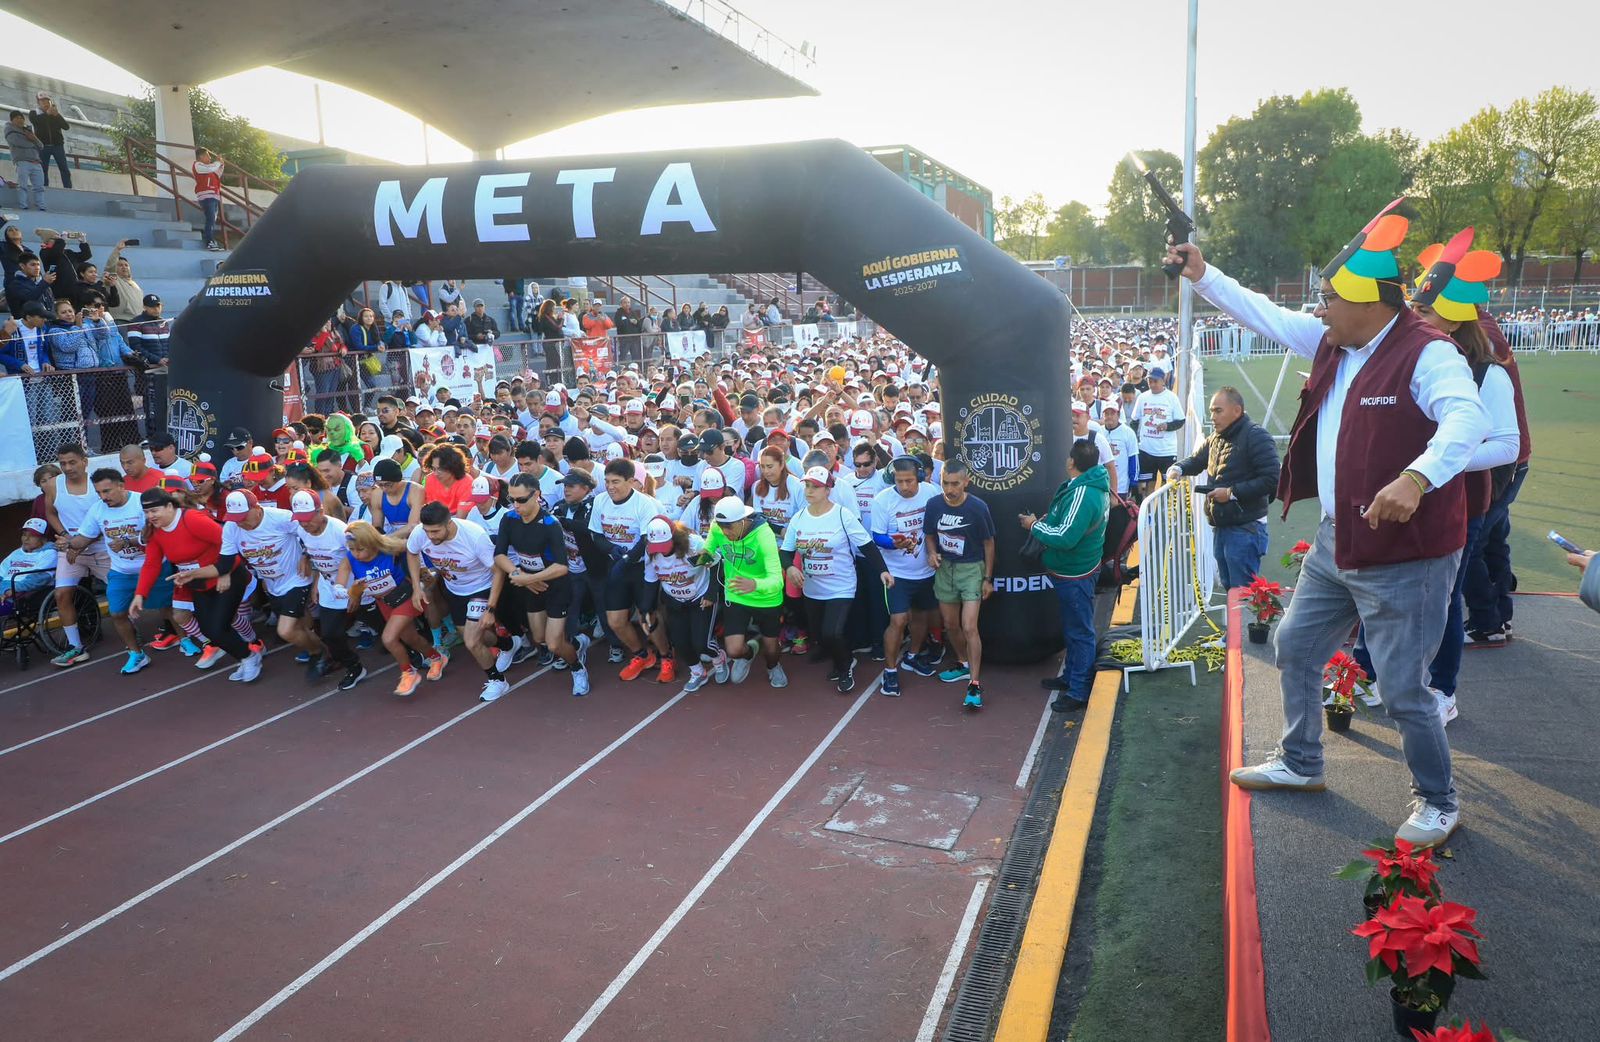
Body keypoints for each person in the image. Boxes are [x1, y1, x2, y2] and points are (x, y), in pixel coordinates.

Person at [1169, 204, 1490, 849]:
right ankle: (1301, 762)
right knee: (1295, 647)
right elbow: (1263, 312)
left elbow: (1467, 420)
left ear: (1369, 302)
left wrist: (1416, 477)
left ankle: (1437, 800)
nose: (1319, 310)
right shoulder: (1333, 341)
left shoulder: (1429, 355)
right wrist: (1205, 275)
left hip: (1408, 557)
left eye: (1328, 299)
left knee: (1403, 690)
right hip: (1338, 543)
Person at [133, 488, 262, 681]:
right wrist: (139, 594)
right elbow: (151, 564)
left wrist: (224, 571)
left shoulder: (191, 519)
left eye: (154, 511)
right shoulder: (155, 531)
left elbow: (229, 541)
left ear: (169, 506)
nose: (150, 516)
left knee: (219, 626)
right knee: (209, 629)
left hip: (228, 577)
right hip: (198, 582)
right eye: (146, 512)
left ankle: (250, 656)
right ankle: (247, 656)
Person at [782, 466, 888, 694]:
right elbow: (786, 551)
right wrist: (790, 567)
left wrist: (882, 570)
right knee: (820, 636)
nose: (809, 491)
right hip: (812, 589)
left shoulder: (842, 515)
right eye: (807, 486)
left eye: (815, 487)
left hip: (841, 585)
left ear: (828, 489)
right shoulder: (799, 518)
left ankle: (845, 667)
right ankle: (843, 658)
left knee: (832, 632)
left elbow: (867, 545)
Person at [1022, 439, 1110, 712]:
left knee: (1080, 631)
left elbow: (1065, 537)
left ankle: (1079, 690)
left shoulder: (1084, 493)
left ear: (1071, 462)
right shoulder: (1090, 487)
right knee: (1074, 629)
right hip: (1078, 569)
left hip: (1075, 574)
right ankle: (1072, 677)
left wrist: (1034, 525)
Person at [1168, 387, 1281, 590]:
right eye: (1212, 411)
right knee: (1232, 590)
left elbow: (1272, 479)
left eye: (1218, 411)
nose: (1212, 417)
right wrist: (1178, 468)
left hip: (1246, 529)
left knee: (1242, 595)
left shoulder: (1256, 436)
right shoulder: (1217, 437)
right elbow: (1197, 460)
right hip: (1224, 526)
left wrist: (1231, 493)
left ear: (1237, 411)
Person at [65, 468, 176, 674]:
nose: (103, 497)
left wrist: (129, 540)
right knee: (117, 613)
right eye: (99, 493)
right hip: (121, 571)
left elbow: (153, 534)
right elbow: (83, 537)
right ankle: (136, 654)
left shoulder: (142, 503)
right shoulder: (98, 510)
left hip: (154, 566)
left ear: (121, 486)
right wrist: (69, 543)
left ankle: (186, 639)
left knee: (168, 608)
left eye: (106, 491)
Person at [495, 473, 590, 694]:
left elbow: (561, 566)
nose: (515, 505)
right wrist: (518, 574)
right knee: (540, 638)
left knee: (555, 644)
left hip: (556, 586)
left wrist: (529, 579)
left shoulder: (550, 524)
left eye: (521, 500)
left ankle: (577, 668)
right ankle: (576, 643)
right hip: (531, 585)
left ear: (536, 495)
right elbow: (499, 555)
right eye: (511, 499)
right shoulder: (508, 519)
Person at [406, 501, 506, 701]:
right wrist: (417, 588)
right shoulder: (420, 532)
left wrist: (491, 609)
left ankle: (498, 681)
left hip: (481, 588)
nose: (431, 536)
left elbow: (498, 571)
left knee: (471, 641)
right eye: (427, 532)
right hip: (455, 591)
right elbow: (411, 552)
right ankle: (509, 643)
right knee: (482, 638)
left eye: (435, 531)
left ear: (449, 523)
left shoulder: (474, 536)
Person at [222, 489, 325, 668]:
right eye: (235, 518)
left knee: (285, 630)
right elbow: (226, 557)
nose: (240, 523)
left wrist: (306, 556)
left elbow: (311, 531)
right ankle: (316, 647)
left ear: (257, 508)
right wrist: (223, 574)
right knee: (300, 625)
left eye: (243, 517)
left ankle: (321, 653)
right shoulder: (232, 527)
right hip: (272, 584)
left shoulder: (281, 518)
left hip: (297, 578)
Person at [923, 460, 995, 709]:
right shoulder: (933, 505)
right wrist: (932, 553)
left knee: (969, 626)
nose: (949, 489)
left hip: (971, 570)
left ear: (966, 482)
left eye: (955, 484)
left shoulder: (978, 507)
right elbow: (929, 535)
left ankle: (974, 684)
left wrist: (988, 578)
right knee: (951, 625)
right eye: (945, 483)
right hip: (944, 571)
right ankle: (963, 664)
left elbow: (989, 543)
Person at [589, 458, 670, 678]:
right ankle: (642, 654)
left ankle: (666, 656)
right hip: (617, 566)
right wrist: (612, 550)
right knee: (615, 621)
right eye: (607, 481)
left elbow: (646, 539)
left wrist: (625, 558)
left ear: (631, 481)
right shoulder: (600, 501)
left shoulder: (645, 504)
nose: (610, 486)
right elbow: (596, 533)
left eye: (616, 481)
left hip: (643, 568)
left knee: (648, 617)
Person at [871, 456, 941, 696]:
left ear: (920, 477)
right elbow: (877, 536)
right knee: (899, 621)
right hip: (897, 573)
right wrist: (894, 544)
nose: (904, 486)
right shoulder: (882, 501)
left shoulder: (931, 491)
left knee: (922, 616)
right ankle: (889, 671)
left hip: (926, 571)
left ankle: (912, 655)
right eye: (899, 481)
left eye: (909, 481)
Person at [702, 496, 787, 687]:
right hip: (736, 593)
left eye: (729, 527)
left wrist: (755, 584)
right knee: (733, 650)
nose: (725, 532)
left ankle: (773, 667)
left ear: (743, 521)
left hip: (767, 598)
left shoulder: (764, 535)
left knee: (772, 650)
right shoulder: (718, 527)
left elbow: (777, 580)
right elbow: (708, 549)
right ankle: (749, 653)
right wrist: (703, 557)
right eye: (722, 527)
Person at [288, 491, 368, 690]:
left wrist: (356, 592)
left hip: (356, 584)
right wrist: (316, 582)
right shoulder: (302, 530)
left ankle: (417, 652)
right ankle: (354, 666)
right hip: (328, 586)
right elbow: (315, 555)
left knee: (384, 626)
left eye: (307, 519)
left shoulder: (340, 530)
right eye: (300, 519)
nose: (304, 524)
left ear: (320, 512)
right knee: (330, 634)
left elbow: (359, 560)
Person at [43, 444, 108, 666]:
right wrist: (64, 535)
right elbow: (50, 512)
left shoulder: (97, 485)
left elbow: (106, 518)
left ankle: (133, 634)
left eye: (72, 462)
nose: (67, 467)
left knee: (122, 592)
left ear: (84, 461)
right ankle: (75, 647)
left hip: (101, 549)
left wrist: (77, 543)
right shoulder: (53, 485)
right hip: (70, 551)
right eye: (62, 463)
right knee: (62, 594)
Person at [1130, 366, 1184, 496]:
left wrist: (1167, 426)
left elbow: (1181, 420)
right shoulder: (1143, 398)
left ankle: (1165, 511)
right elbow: (1134, 421)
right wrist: (1136, 440)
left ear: (1163, 380)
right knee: (1147, 485)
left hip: (1167, 450)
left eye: (1155, 381)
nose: (1152, 384)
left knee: (1169, 485)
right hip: (1146, 449)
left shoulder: (1171, 398)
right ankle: (1148, 513)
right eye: (1150, 381)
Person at [0, 518, 58, 608]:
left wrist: (11, 590)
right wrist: (2, 590)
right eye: (24, 534)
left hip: (21, 594)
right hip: (4, 589)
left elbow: (38, 579)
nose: (26, 539)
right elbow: (1, 572)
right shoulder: (17, 553)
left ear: (43, 538)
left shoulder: (49, 553)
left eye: (32, 535)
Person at [6, 111, 46, 211]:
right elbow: (17, 142)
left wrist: (33, 138)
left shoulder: (28, 130)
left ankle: (41, 206)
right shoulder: (9, 129)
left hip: (36, 162)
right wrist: (32, 142)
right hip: (22, 161)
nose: (20, 120)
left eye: (21, 118)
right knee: (22, 185)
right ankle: (23, 206)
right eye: (17, 118)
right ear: (12, 120)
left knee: (39, 187)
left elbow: (41, 146)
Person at [29, 93, 71, 189]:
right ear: (38, 102)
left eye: (47, 101)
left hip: (57, 146)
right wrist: (47, 114)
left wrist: (57, 115)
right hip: (42, 146)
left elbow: (66, 127)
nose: (45, 103)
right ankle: (45, 188)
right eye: (42, 101)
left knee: (64, 168)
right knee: (43, 169)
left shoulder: (54, 114)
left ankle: (68, 188)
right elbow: (36, 121)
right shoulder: (34, 113)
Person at [192, 147, 225, 250]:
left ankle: (211, 241)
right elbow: (211, 168)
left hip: (214, 196)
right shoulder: (198, 165)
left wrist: (221, 164)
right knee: (210, 218)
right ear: (201, 156)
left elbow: (218, 173)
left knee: (212, 219)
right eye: (207, 155)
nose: (210, 157)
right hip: (206, 196)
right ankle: (209, 241)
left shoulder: (210, 168)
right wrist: (217, 163)